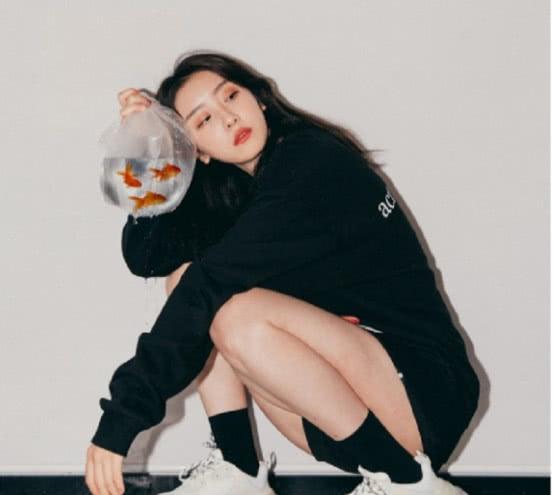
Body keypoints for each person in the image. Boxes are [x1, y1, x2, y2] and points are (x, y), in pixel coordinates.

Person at [85, 50, 480, 495]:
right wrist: (150, 145)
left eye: (230, 96)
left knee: (230, 312)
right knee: (185, 275)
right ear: (198, 151)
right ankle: (239, 468)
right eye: (204, 120)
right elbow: (148, 258)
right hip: (350, 415)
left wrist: (122, 418)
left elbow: (207, 288)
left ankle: (406, 482)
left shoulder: (311, 162)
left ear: (259, 98)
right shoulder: (239, 192)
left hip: (426, 395)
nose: (229, 119)